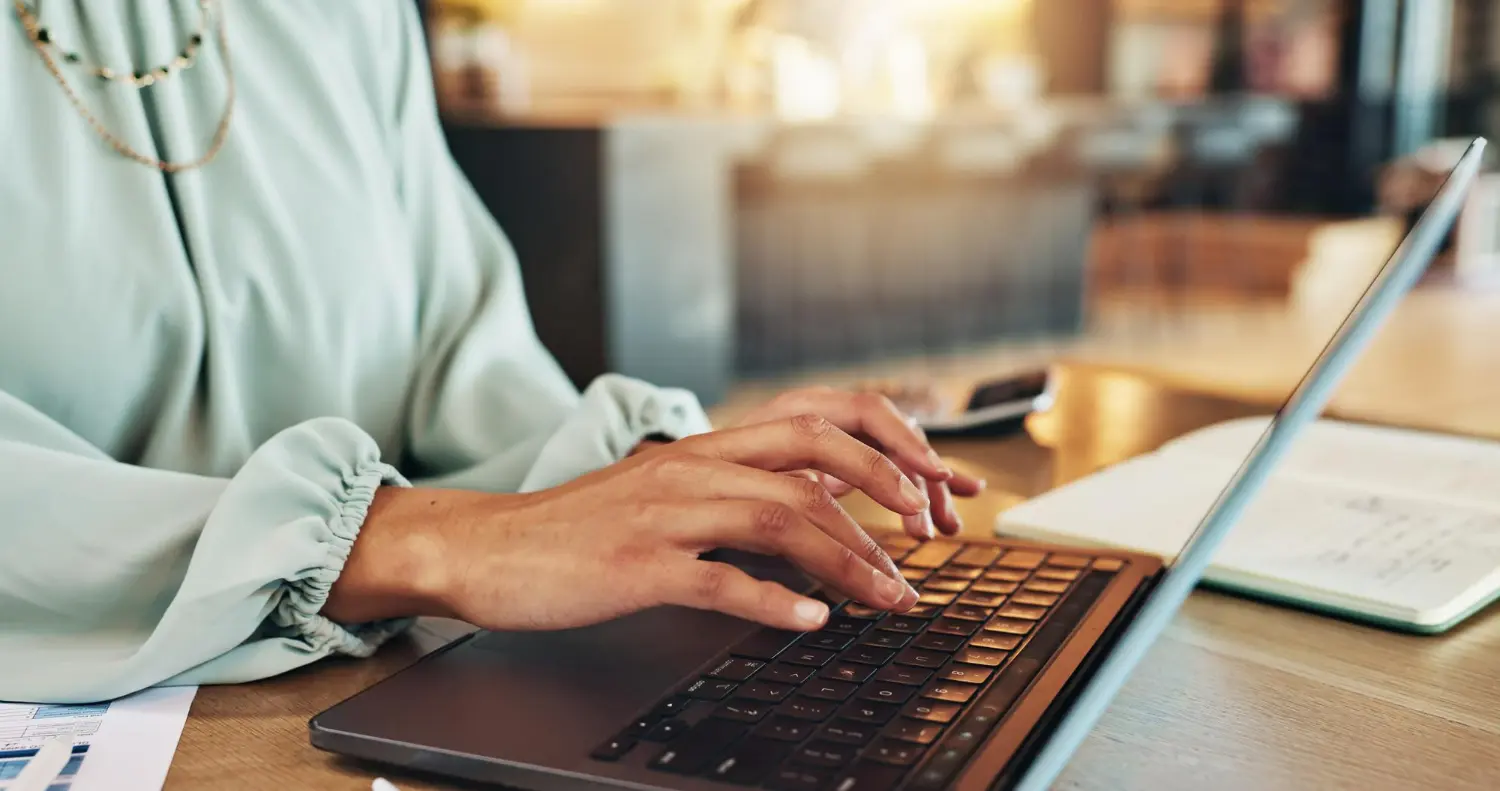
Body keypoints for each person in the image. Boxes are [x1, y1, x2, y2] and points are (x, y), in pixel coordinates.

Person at [0, 1, 983, 704]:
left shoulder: (350, 17)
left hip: (371, 685)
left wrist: (656, 476)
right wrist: (416, 540)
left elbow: (456, 348)